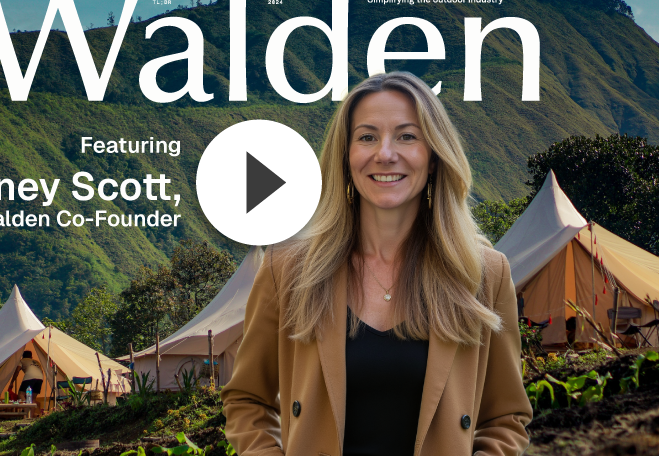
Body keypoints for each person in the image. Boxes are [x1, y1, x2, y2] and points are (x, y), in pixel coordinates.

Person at [221, 72, 532, 456]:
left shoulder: (483, 274)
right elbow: (247, 400)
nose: (385, 153)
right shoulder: (287, 270)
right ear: (346, 156)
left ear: (434, 157)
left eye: (407, 136)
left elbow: (506, 419)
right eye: (367, 137)